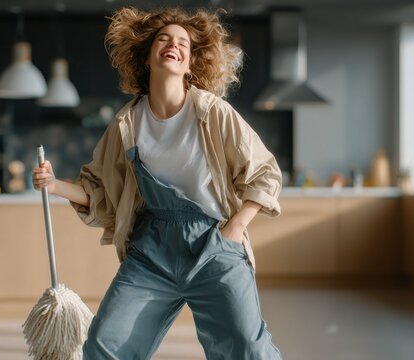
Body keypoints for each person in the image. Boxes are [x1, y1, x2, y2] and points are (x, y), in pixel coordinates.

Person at [32, 7, 283, 360]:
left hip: (214, 246)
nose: (173, 45)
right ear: (146, 56)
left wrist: (235, 229)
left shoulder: (213, 113)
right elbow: (99, 191)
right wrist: (54, 185)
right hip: (152, 252)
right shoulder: (127, 124)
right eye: (163, 40)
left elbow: (265, 173)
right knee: (105, 345)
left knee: (245, 348)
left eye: (183, 42)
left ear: (191, 62)